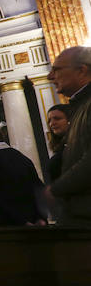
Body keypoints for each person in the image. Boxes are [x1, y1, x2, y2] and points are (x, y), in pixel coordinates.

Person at [47, 46, 91, 225]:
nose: (50, 76)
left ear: (82, 70)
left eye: (56, 69)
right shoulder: (80, 106)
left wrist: (55, 190)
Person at [47, 103, 72, 182]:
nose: (52, 123)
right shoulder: (60, 147)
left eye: (57, 118)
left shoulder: (80, 144)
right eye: (49, 120)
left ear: (70, 119)